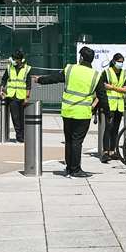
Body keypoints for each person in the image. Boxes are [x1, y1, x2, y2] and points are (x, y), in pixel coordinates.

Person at [37, 46, 97, 177]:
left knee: (69, 140)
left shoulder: (71, 69)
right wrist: (106, 112)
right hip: (82, 113)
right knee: (77, 141)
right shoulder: (95, 75)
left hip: (68, 111)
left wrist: (40, 80)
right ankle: (75, 169)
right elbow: (102, 96)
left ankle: (69, 168)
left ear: (81, 58)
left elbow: (55, 78)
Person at [98, 52, 126, 162]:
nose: (120, 63)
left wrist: (111, 87)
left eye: (122, 62)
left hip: (119, 106)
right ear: (114, 61)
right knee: (108, 127)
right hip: (109, 105)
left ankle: (113, 151)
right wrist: (118, 88)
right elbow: (102, 86)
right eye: (119, 61)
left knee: (115, 129)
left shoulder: (124, 73)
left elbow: (125, 89)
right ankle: (106, 152)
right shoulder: (106, 72)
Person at [2, 50, 31, 142]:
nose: (13, 60)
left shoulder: (27, 69)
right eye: (13, 59)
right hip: (11, 96)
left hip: (22, 97)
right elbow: (4, 80)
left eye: (15, 59)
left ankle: (23, 134)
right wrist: (1, 90)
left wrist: (27, 97)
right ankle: (19, 135)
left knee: (22, 117)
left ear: (20, 59)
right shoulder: (9, 68)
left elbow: (28, 84)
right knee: (15, 117)